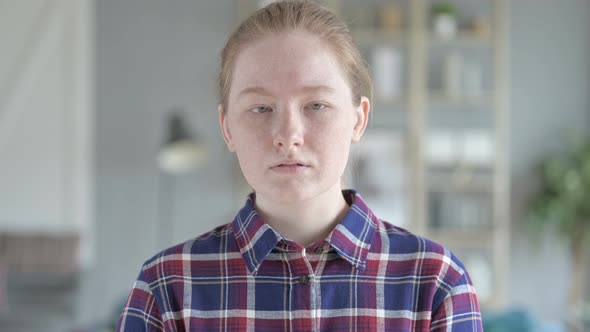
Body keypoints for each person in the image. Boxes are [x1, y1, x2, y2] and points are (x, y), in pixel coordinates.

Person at [117, 1, 483, 331]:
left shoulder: (436, 282)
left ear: (358, 120)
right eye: (261, 108)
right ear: (227, 128)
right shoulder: (166, 288)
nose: (288, 135)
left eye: (316, 106)